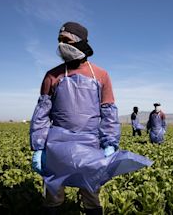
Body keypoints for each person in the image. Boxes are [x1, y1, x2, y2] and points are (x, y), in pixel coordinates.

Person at [29, 21, 153, 214]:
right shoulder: (52, 76)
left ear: (81, 42)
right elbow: (41, 115)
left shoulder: (101, 75)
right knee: (53, 194)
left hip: (90, 144)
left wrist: (109, 143)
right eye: (59, 40)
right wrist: (38, 147)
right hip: (57, 145)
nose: (61, 45)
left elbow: (109, 112)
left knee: (91, 194)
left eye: (66, 40)